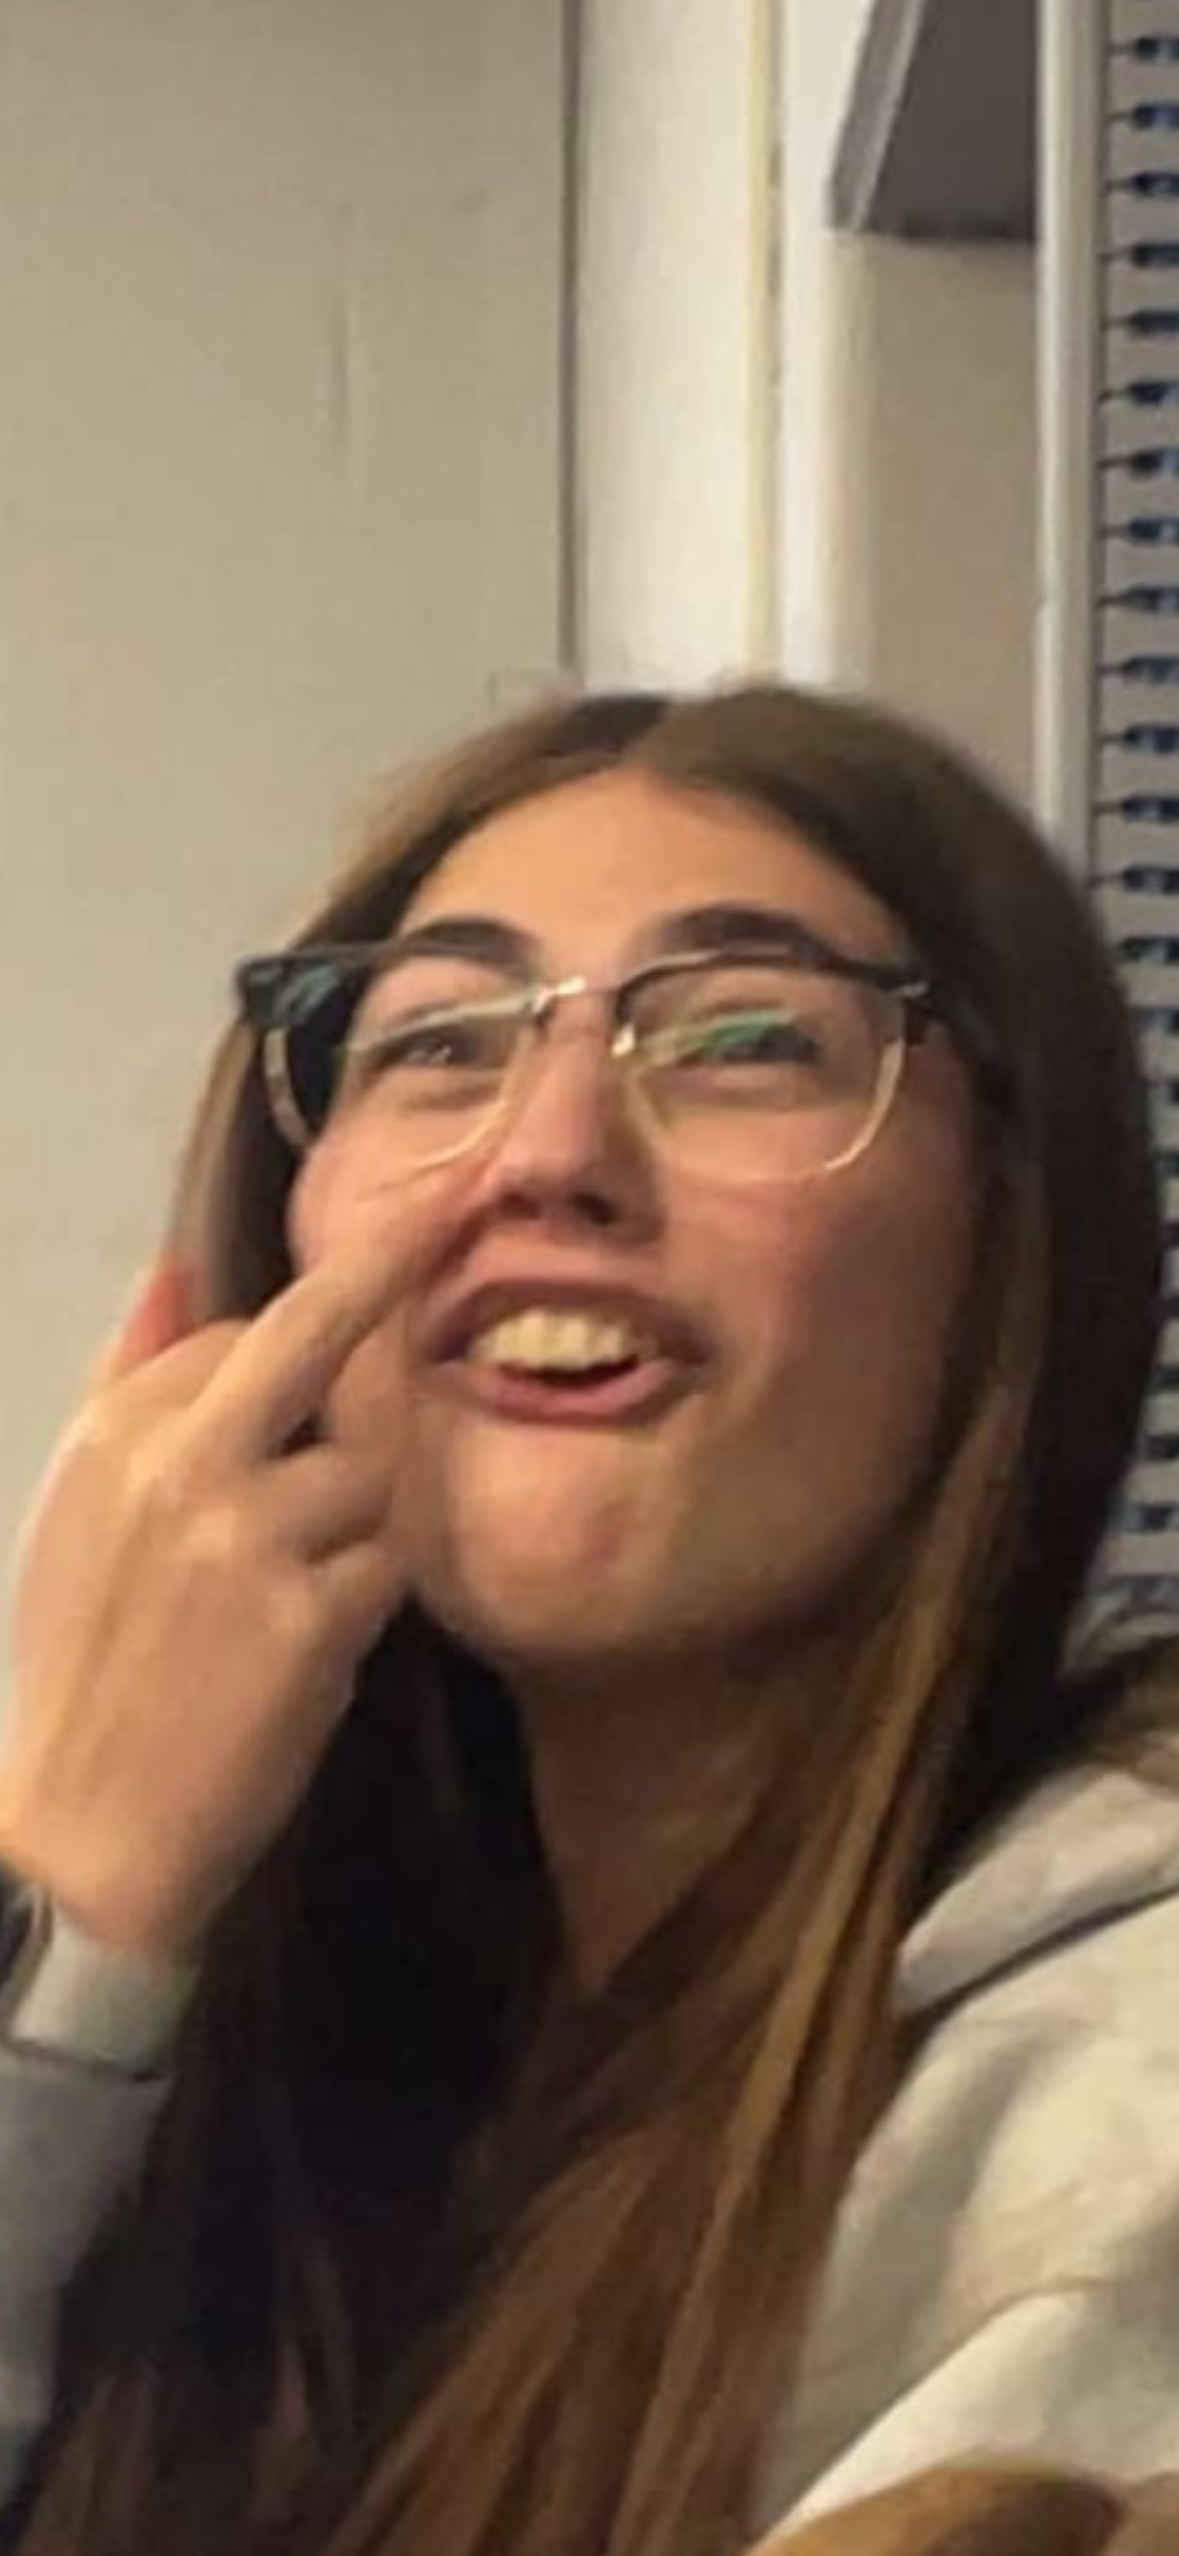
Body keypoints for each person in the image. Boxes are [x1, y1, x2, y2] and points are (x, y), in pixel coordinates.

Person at [0, 680, 1176, 2556]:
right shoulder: (269, 2044)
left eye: (743, 1040)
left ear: (1013, 1244)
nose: (543, 1152)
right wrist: (77, 1915)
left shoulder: (1122, 2090)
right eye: (439, 1045)